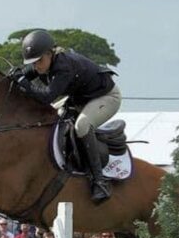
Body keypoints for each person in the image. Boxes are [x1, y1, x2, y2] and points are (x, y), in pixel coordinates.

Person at [10, 29, 121, 203]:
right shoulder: (43, 63)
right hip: (81, 99)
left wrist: (23, 83)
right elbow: (25, 74)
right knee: (47, 118)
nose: (37, 66)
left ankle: (99, 181)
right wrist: (14, 77)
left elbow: (46, 97)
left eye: (39, 61)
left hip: (106, 97)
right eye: (34, 62)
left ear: (50, 53)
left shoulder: (63, 67)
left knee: (82, 126)